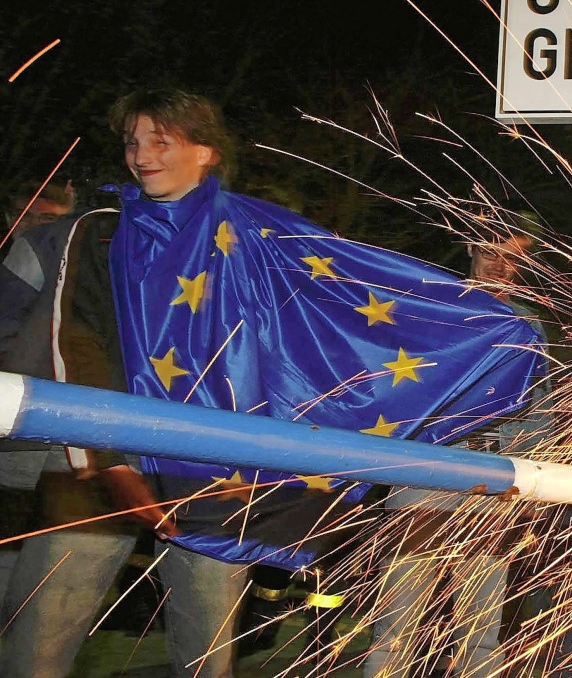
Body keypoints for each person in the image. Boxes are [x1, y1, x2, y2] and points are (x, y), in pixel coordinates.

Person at [0, 89, 542, 678]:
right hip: (96, 462)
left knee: (208, 652)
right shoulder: (99, 232)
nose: (141, 154)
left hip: (212, 465)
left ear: (206, 150)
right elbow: (75, 343)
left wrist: (479, 323)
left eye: (161, 140)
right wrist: (105, 458)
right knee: (41, 641)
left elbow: (344, 293)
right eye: (133, 141)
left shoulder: (256, 231)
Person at [365, 208, 552, 678]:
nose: (498, 265)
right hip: (422, 471)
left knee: (480, 634)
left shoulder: (527, 325)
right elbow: (394, 382)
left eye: (512, 258)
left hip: (490, 478)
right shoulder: (434, 308)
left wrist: (529, 486)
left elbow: (539, 410)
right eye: (490, 250)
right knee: (395, 628)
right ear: (470, 247)